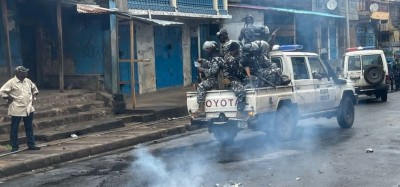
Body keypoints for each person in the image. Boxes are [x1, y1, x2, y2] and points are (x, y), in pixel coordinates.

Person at [0, 66, 41, 152]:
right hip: (17, 108)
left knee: (29, 127)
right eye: (24, 72)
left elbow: (35, 90)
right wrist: (8, 98)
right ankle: (14, 146)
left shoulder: (28, 81)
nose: (26, 73)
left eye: (26, 72)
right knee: (14, 128)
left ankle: (31, 144)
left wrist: (34, 98)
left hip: (28, 108)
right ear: (18, 73)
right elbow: (2, 91)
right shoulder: (11, 82)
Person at [192, 41, 224, 118]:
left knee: (200, 86)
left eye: (207, 49)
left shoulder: (215, 58)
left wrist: (202, 70)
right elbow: (212, 65)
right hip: (219, 80)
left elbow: (213, 71)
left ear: (210, 48)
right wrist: (203, 61)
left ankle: (201, 109)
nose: (206, 51)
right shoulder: (217, 56)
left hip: (216, 80)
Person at [223, 41, 247, 118]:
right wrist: (245, 77)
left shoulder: (227, 56)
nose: (238, 51)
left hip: (231, 78)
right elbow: (236, 72)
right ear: (235, 50)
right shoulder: (231, 59)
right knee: (241, 92)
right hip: (231, 80)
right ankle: (239, 112)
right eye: (238, 50)